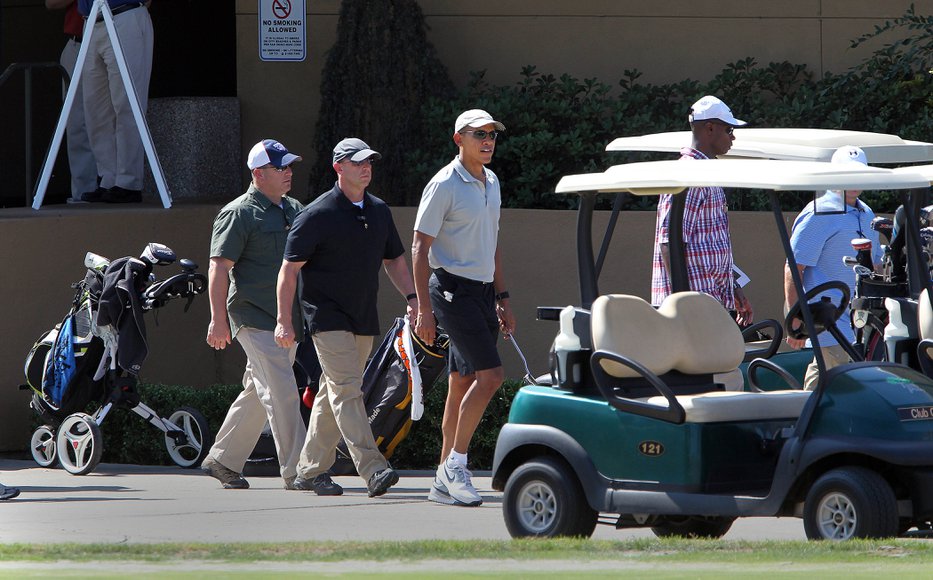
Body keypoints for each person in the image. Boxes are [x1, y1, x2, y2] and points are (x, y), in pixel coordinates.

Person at [275, 138, 416, 498]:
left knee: (333, 391)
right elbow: (289, 270)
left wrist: (414, 297)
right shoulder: (316, 214)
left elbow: (395, 260)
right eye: (357, 162)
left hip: (363, 315)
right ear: (338, 167)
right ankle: (373, 468)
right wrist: (284, 320)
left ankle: (309, 470)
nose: (366, 167)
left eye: (369, 161)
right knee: (348, 390)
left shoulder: (379, 211)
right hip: (326, 317)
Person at [412, 109, 516, 507]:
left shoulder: (492, 181)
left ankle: (441, 479)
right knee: (491, 377)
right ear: (459, 139)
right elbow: (420, 247)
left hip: (483, 294)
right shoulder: (443, 184)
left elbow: (493, 244)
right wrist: (424, 310)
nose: (488, 141)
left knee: (460, 383)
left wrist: (503, 298)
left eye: (492, 134)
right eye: (479, 134)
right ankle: (456, 466)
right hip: (451, 292)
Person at [201, 139, 308, 490]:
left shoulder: (294, 208)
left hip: (285, 319)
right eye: (281, 168)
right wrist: (218, 319)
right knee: (282, 391)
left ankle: (222, 458)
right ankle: (301, 470)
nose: (289, 172)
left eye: (290, 166)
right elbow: (218, 268)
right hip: (253, 316)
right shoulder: (239, 213)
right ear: (258, 174)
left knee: (258, 392)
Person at [651, 95, 754, 326]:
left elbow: (707, 242)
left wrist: (733, 288)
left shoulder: (705, 172)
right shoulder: (690, 173)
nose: (733, 136)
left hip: (708, 302)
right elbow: (669, 242)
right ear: (709, 128)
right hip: (692, 309)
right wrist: (685, 304)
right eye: (729, 129)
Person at [784, 145, 881, 389]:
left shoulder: (866, 212)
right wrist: (796, 317)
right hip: (828, 319)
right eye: (848, 173)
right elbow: (794, 267)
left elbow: (876, 264)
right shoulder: (819, 212)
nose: (854, 179)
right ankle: (805, 421)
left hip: (860, 321)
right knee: (829, 380)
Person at [76, 0, 153, 203]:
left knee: (127, 105)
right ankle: (108, 178)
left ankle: (128, 182)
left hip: (123, 16)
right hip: (91, 21)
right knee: (96, 109)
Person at [46, 0, 99, 203]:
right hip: (77, 42)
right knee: (76, 122)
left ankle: (115, 186)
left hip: (115, 37)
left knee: (111, 116)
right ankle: (83, 193)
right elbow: (51, 3)